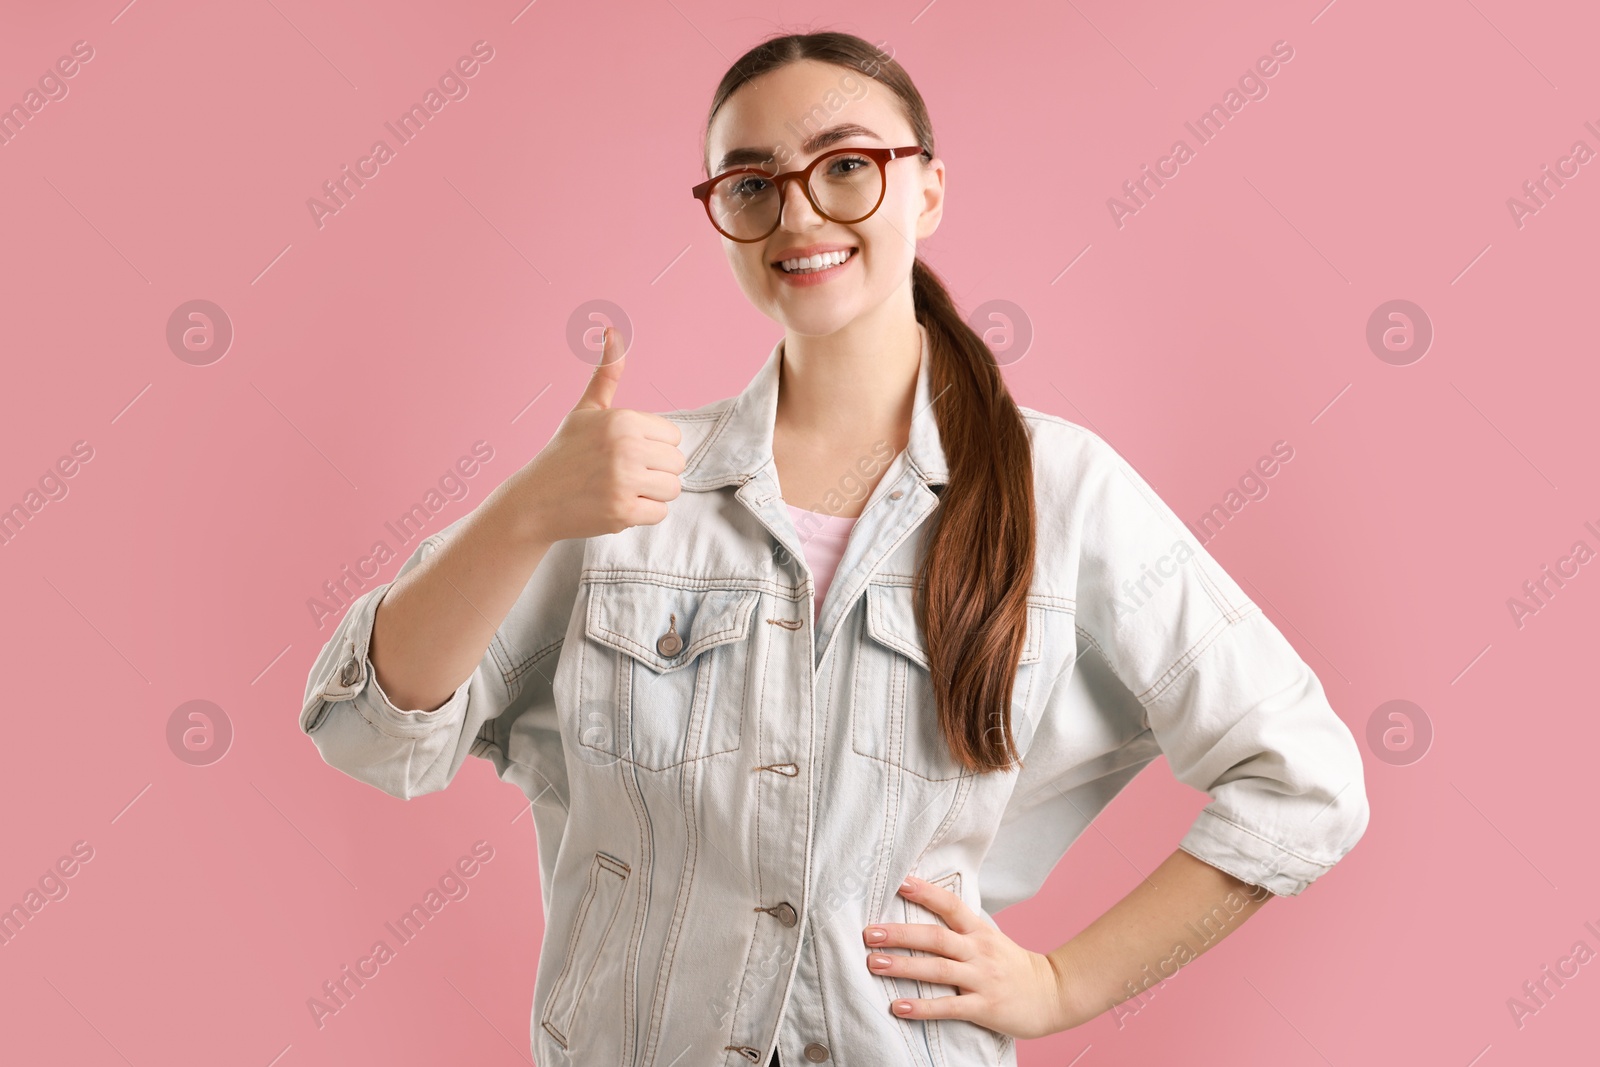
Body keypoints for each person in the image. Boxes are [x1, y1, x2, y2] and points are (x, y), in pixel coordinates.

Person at [298, 30, 1369, 1067]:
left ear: (928, 190)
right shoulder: (617, 486)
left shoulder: (1064, 489)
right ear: (721, 216)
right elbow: (364, 732)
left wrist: (1061, 985)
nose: (796, 211)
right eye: (751, 182)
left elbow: (1303, 781)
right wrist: (524, 511)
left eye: (846, 166)